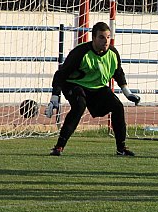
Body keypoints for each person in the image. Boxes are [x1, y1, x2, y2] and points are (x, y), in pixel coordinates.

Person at [44, 22, 141, 156]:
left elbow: (118, 72)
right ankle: (59, 147)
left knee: (118, 106)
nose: (106, 41)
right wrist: (54, 97)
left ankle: (121, 149)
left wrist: (127, 92)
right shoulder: (80, 52)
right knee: (79, 105)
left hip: (98, 88)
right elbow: (61, 74)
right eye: (101, 37)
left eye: (108, 37)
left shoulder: (113, 53)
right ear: (93, 38)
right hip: (74, 85)